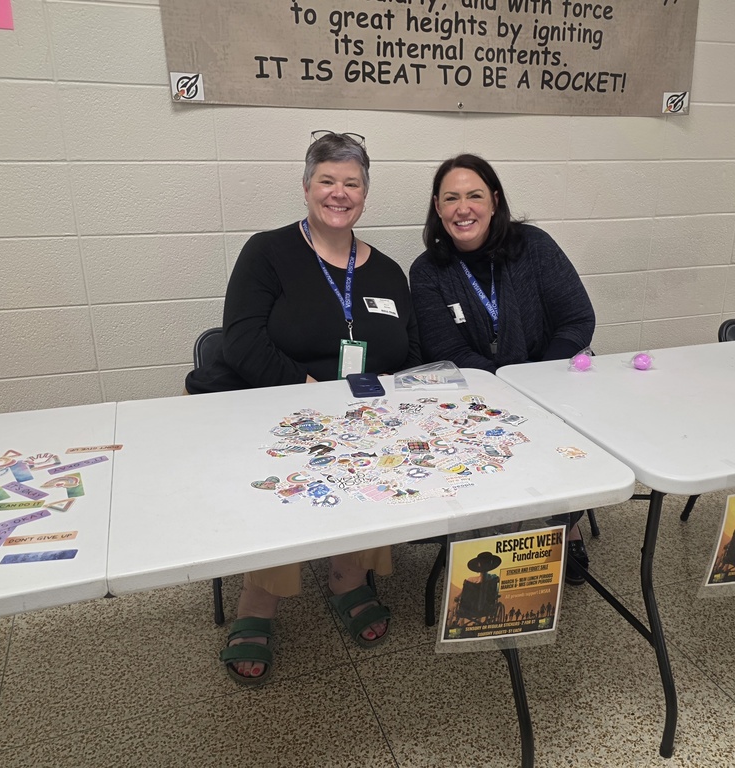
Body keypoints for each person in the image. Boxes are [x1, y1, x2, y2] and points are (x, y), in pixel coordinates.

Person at [185, 131, 421, 686]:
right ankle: (257, 600)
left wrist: (377, 395)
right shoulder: (267, 252)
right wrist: (310, 388)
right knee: (292, 467)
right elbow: (240, 343)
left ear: (366, 193)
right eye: (327, 180)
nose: (339, 193)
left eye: (352, 183)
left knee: (382, 457)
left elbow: (411, 352)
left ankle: (349, 574)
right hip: (277, 406)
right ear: (307, 187)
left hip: (364, 411)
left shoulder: (387, 271)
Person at [408, 154, 596, 585]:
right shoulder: (427, 271)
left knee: (564, 434)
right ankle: (492, 533)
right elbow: (444, 348)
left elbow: (578, 319)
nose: (463, 208)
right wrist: (506, 388)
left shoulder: (534, 246)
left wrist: (535, 381)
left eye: (474, 195)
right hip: (475, 395)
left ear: (494, 201)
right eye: (451, 198)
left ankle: (566, 525)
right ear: (438, 208)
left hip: (550, 381)